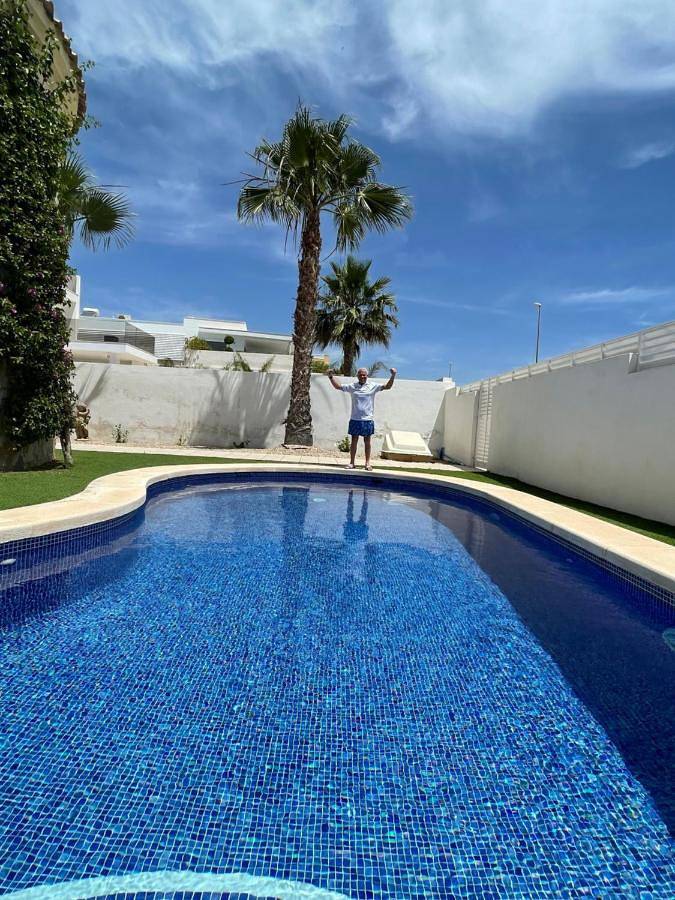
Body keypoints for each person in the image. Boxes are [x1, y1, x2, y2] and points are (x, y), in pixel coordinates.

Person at [327, 366, 397, 470]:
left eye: (364, 375)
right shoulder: (353, 386)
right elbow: (338, 386)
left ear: (367, 376)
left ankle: (367, 463)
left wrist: (393, 375)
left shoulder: (372, 386)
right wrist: (331, 377)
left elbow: (387, 386)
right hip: (355, 419)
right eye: (360, 375)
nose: (362, 376)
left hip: (367, 419)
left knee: (367, 442)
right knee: (354, 442)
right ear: (357, 376)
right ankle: (351, 463)